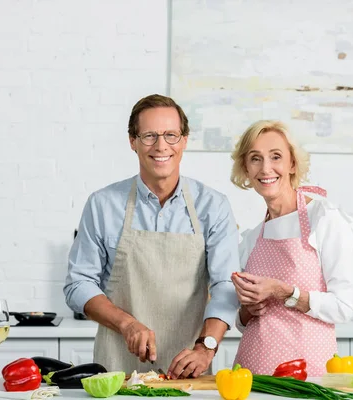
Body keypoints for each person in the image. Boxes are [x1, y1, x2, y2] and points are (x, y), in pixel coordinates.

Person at [64, 94, 240, 378]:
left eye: (171, 135)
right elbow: (78, 284)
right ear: (132, 141)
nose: (161, 146)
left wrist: (206, 347)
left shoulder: (214, 206)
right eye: (149, 136)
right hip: (116, 370)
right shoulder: (102, 204)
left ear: (184, 140)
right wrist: (127, 324)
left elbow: (225, 285)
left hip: (189, 369)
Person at [229, 120, 353, 376]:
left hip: (308, 377)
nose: (266, 168)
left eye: (276, 156)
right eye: (255, 158)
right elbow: (246, 323)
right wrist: (246, 312)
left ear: (292, 164)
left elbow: (344, 307)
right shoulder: (252, 237)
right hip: (251, 377)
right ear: (246, 168)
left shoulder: (324, 218)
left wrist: (284, 291)